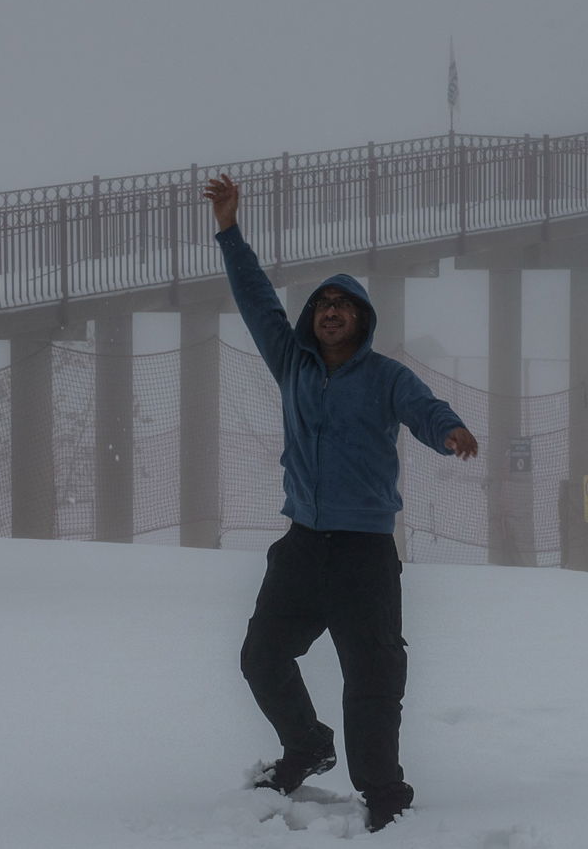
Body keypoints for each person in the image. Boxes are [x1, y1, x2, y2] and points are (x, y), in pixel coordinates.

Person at [202, 174, 478, 833]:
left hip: (363, 554)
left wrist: (449, 431)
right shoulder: (292, 363)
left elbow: (423, 408)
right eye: (321, 304)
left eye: (342, 305)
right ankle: (307, 746)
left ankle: (383, 790)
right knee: (261, 658)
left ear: (360, 319)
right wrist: (230, 231)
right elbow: (256, 299)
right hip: (302, 546)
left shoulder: (385, 377)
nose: (329, 311)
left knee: (374, 677)